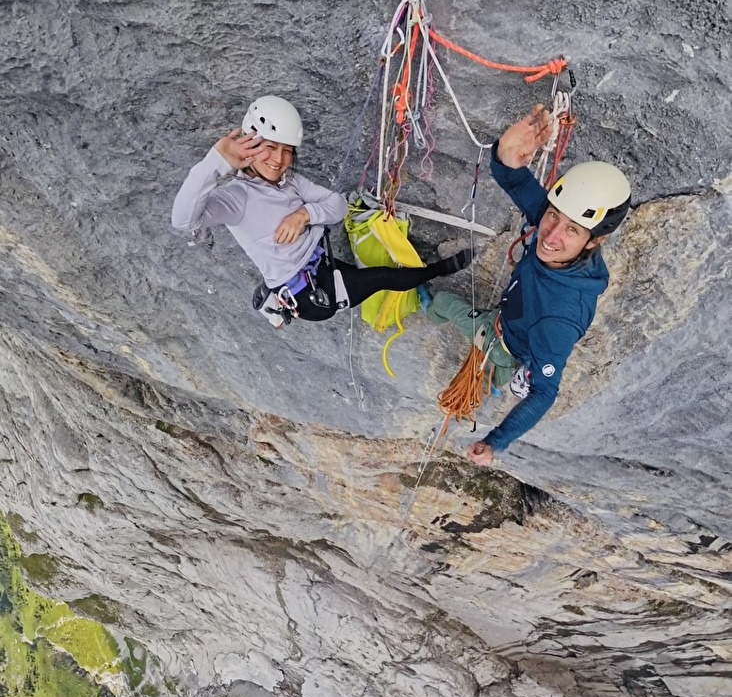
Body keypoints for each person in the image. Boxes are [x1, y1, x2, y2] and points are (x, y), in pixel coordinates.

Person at [421, 105, 631, 464]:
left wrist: (495, 442)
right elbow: (515, 179)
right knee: (446, 311)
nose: (550, 235)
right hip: (508, 320)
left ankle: (422, 302)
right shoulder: (559, 227)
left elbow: (545, 392)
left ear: (594, 241)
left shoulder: (559, 320)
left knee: (442, 305)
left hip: (507, 346)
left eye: (572, 230)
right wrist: (505, 154)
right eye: (552, 216)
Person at [171, 95, 470, 328]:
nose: (279, 160)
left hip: (321, 265)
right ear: (249, 145)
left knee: (371, 275)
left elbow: (337, 205)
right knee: (383, 277)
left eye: (287, 150)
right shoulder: (237, 198)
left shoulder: (291, 182)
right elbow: (183, 220)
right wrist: (216, 161)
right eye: (270, 147)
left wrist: (304, 215)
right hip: (312, 295)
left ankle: (419, 284)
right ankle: (439, 271)